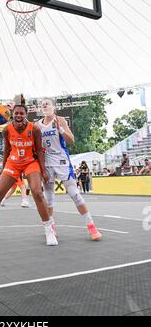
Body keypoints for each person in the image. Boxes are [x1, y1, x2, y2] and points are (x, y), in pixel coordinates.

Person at [0, 96, 58, 246]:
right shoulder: (6, 130)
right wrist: (4, 168)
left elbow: (40, 151)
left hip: (31, 162)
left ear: (26, 115)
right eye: (16, 113)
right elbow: (6, 149)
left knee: (37, 192)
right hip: (13, 162)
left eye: (21, 113)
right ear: (12, 114)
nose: (18, 115)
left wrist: (43, 170)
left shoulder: (34, 129)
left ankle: (49, 230)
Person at [37, 98, 102, 241]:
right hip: (47, 162)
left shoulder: (60, 120)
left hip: (62, 160)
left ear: (54, 107)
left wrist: (60, 129)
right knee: (48, 198)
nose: (45, 105)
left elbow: (71, 139)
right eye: (43, 104)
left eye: (47, 103)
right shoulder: (37, 125)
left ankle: (91, 226)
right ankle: (51, 226)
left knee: (74, 193)